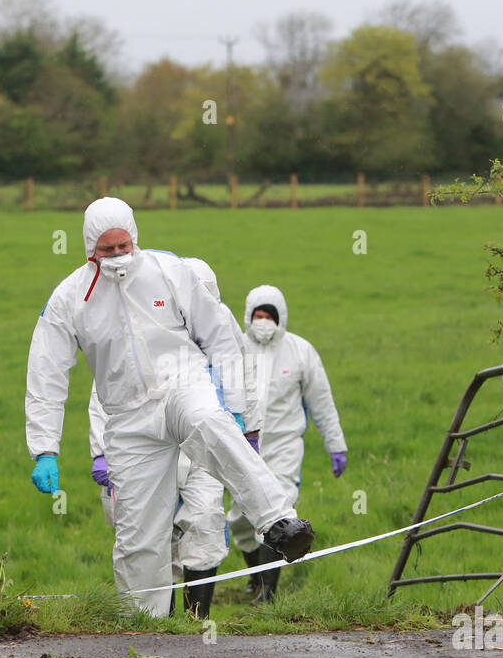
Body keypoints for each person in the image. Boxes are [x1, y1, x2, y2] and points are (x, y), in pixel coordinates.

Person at [25, 197, 311, 617]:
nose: (118, 256)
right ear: (89, 248)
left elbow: (220, 337)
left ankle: (279, 522)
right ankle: (147, 626)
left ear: (135, 238)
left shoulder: (169, 271)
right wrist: (44, 448)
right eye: (107, 250)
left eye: (124, 246)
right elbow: (46, 374)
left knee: (206, 420)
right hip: (127, 418)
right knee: (137, 534)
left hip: (182, 383)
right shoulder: (70, 299)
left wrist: (240, 413)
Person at [86, 253, 261, 619]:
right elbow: (106, 391)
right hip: (149, 444)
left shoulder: (222, 326)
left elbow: (244, 377)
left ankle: (196, 622)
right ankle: (155, 623)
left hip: (205, 446)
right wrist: (101, 450)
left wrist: (250, 432)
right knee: (150, 534)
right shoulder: (140, 327)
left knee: (205, 522)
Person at [227, 285, 347, 604]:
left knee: (276, 514)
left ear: (281, 318)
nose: (263, 321)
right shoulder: (232, 348)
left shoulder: (300, 351)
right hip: (243, 450)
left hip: (283, 447)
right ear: (248, 316)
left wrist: (336, 444)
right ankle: (254, 576)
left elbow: (321, 401)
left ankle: (269, 592)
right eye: (257, 315)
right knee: (239, 521)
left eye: (269, 315)